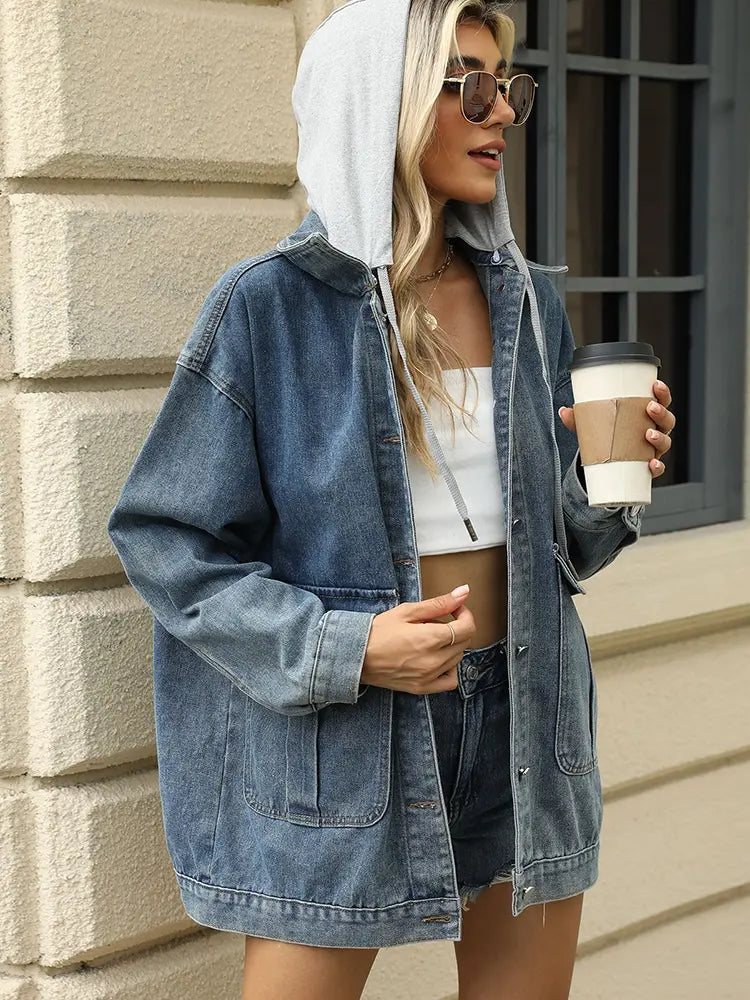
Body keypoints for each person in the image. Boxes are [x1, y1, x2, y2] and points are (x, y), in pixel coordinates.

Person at [107, 1, 676, 997]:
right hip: (347, 737)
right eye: (471, 85)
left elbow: (562, 549)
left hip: (527, 722)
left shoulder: (524, 298)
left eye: (509, 87)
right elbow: (167, 541)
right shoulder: (269, 306)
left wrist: (604, 481)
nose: (504, 112)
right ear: (384, 99)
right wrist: (351, 647)